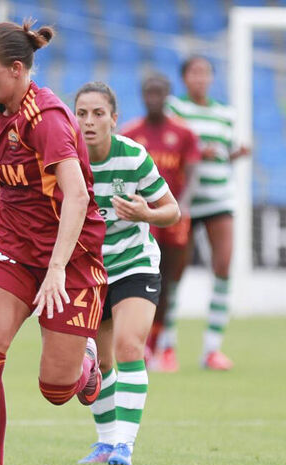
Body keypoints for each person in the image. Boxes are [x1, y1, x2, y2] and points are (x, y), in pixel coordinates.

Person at [0, 21, 108, 465]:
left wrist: (54, 271)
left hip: (71, 260)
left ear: (17, 69)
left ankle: (86, 363)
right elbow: (3, 173)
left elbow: (76, 196)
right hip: (15, 250)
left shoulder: (46, 120)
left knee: (55, 389)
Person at [74, 82, 181, 465]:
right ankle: (105, 443)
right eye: (82, 113)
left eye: (98, 113)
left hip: (134, 263)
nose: (89, 121)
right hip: (88, 272)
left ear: (114, 119)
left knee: (129, 347)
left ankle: (125, 444)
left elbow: (172, 211)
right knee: (98, 364)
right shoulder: (65, 160)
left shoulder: (133, 156)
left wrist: (146, 214)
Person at [165, 56, 251, 371]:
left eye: (205, 73)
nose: (200, 78)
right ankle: (166, 345)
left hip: (219, 197)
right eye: (194, 72)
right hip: (185, 200)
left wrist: (234, 155)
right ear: (184, 77)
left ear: (212, 78)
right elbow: (171, 147)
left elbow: (223, 153)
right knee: (175, 272)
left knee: (224, 266)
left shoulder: (225, 114)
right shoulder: (174, 109)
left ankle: (212, 349)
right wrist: (199, 151)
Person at [121, 73, 201, 373]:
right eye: (148, 92)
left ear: (168, 95)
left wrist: (184, 206)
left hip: (173, 217)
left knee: (169, 282)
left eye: (159, 92)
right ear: (142, 95)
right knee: (144, 279)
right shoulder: (130, 133)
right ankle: (144, 346)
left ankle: (162, 346)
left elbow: (192, 174)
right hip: (142, 219)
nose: (153, 97)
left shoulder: (183, 133)